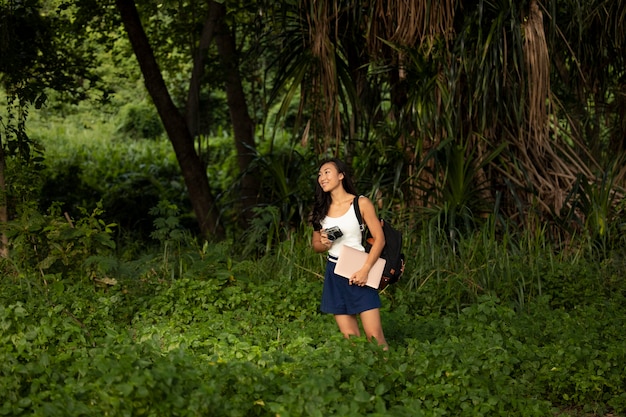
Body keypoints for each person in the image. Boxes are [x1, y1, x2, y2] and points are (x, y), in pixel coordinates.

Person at [311, 158, 388, 348]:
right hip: (334, 272)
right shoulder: (320, 210)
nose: (322, 177)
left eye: (327, 172)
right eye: (320, 174)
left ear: (341, 175)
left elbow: (380, 239)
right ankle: (364, 376)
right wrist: (324, 243)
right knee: (351, 339)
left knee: (375, 337)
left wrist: (365, 270)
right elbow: (315, 246)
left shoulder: (360, 203)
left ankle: (388, 373)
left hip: (359, 269)